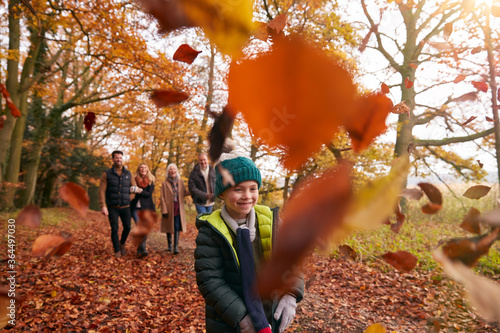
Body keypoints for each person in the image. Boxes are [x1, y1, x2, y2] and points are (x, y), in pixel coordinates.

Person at [194, 150, 304, 333]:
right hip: (229, 320)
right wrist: (243, 319)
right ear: (222, 194)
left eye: (253, 188)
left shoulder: (271, 220)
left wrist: (291, 295)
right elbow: (211, 281)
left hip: (270, 314)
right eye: (238, 189)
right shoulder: (210, 230)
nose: (247, 196)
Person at [99, 150, 140, 258]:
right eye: (117, 158)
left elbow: (134, 188)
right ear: (113, 159)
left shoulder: (128, 173)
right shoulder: (106, 174)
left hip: (126, 207)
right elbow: (102, 191)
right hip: (112, 207)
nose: (119, 160)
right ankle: (117, 249)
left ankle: (122, 243)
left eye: (120, 158)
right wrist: (103, 206)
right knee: (114, 228)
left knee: (127, 227)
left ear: (123, 159)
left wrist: (129, 197)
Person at [160, 163, 190, 254]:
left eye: (174, 169)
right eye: (170, 169)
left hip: (178, 207)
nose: (172, 171)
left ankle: (175, 247)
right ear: (168, 171)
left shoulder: (180, 181)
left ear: (176, 170)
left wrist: (193, 190)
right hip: (169, 207)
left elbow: (184, 192)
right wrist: (164, 209)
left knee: (177, 226)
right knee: (169, 226)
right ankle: (169, 245)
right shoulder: (164, 183)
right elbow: (162, 197)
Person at [130, 163, 156, 258]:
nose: (143, 169)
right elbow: (131, 191)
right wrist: (134, 189)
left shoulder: (151, 180)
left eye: (145, 167)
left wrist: (139, 190)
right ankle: (143, 248)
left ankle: (140, 249)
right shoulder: (134, 179)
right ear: (138, 169)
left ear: (147, 169)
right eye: (141, 167)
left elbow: (148, 194)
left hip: (146, 208)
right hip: (135, 208)